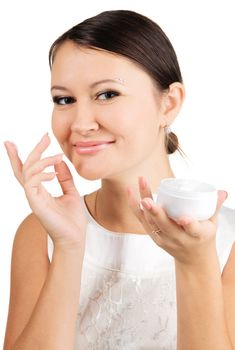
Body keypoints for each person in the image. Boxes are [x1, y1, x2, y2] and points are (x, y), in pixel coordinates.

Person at [3, 9, 235, 350]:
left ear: (168, 104)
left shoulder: (227, 244)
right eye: (64, 99)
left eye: (107, 94)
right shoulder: (40, 234)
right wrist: (69, 247)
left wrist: (196, 264)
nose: (80, 123)